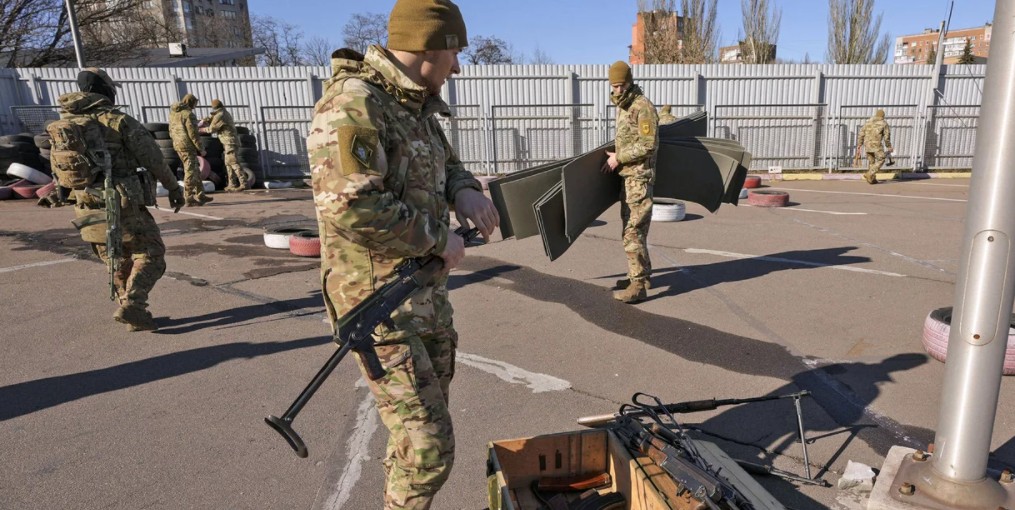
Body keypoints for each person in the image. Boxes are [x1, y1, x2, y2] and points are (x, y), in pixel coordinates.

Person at [306, 1, 499, 508]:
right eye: (454, 52)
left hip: (423, 299)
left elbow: (445, 162)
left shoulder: (412, 105)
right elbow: (351, 205)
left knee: (414, 443)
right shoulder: (354, 103)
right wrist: (439, 239)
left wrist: (464, 190)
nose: (457, 66)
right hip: (378, 305)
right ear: (429, 46)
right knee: (429, 449)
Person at [55, 68, 185, 331]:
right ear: (105, 89)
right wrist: (174, 188)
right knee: (151, 254)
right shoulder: (117, 120)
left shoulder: (65, 124)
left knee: (115, 257)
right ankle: (134, 306)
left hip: (85, 202)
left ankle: (130, 310)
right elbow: (153, 159)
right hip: (121, 200)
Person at [602, 60, 659, 304]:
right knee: (632, 228)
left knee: (633, 231)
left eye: (620, 85)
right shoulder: (624, 106)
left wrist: (619, 158)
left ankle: (638, 285)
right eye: (613, 86)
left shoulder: (641, 106)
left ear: (629, 82)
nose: (616, 91)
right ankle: (640, 276)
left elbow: (649, 144)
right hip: (628, 178)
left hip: (639, 178)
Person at [169, 93, 212, 205]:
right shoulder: (188, 114)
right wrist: (201, 149)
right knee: (190, 171)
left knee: (195, 169)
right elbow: (194, 134)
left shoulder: (173, 114)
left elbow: (170, 130)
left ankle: (200, 194)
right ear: (191, 102)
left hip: (178, 145)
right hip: (187, 146)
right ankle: (188, 197)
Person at [206, 99, 248, 192]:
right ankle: (232, 184)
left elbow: (211, 129)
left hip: (230, 142)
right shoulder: (222, 113)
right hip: (228, 142)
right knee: (228, 164)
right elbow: (212, 118)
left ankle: (244, 183)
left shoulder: (220, 115)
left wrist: (201, 129)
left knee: (233, 162)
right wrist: (207, 119)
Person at [858, 109, 894, 184]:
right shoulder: (884, 123)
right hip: (876, 145)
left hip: (867, 144)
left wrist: (859, 144)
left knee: (872, 162)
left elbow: (861, 133)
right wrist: (889, 146)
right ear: (882, 116)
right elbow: (887, 137)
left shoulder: (868, 122)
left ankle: (872, 179)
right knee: (882, 159)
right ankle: (870, 173)